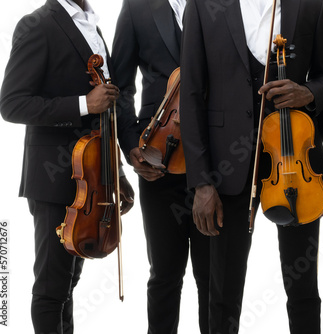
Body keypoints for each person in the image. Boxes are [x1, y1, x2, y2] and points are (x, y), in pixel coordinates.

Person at [180, 0, 323, 333]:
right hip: (226, 165)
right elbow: (190, 93)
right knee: (222, 293)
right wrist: (202, 182)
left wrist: (307, 92)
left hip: (293, 158)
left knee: (303, 289)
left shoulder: (312, 4)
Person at [0, 0, 134, 333]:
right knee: (50, 290)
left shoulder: (94, 27)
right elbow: (12, 104)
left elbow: (106, 113)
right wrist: (83, 104)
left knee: (68, 285)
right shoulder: (37, 25)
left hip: (92, 180)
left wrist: (117, 175)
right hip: (54, 179)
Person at [111, 0, 210, 333]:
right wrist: (129, 145)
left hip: (215, 157)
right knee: (165, 274)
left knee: (214, 277)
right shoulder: (136, 6)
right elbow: (121, 87)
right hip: (157, 152)